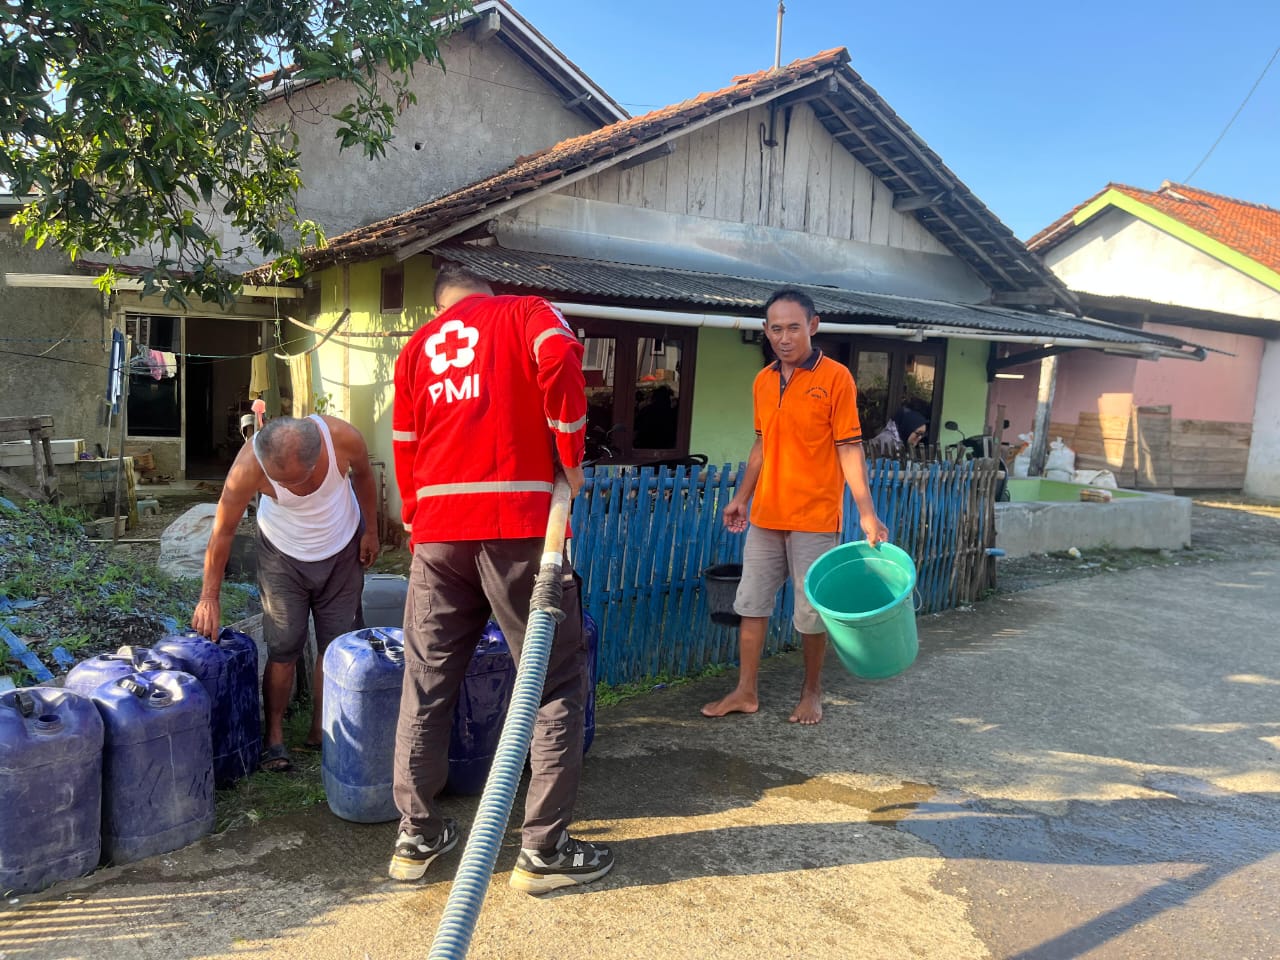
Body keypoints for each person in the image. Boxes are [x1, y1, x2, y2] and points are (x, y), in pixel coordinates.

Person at [388, 262, 613, 894]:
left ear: (441, 304)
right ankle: (543, 850)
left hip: (437, 532)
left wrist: (416, 519)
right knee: (553, 680)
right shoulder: (523, 312)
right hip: (519, 526)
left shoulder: (415, 351)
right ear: (485, 292)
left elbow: (405, 446)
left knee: (427, 682)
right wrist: (569, 454)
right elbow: (561, 355)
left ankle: (417, 835)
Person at [702, 289, 890, 726]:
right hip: (767, 516)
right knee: (750, 604)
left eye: (793, 327)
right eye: (775, 328)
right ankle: (745, 691)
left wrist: (866, 510)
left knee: (809, 612)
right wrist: (741, 498)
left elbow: (849, 447)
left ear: (813, 325)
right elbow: (762, 443)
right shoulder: (763, 380)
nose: (783, 337)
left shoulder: (836, 377)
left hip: (815, 517)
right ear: (766, 330)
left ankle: (812, 691)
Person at [192, 415, 380, 772]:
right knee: (283, 645)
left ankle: (323, 732)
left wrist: (370, 531)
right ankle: (274, 738)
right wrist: (209, 596)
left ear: (318, 457)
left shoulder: (343, 438)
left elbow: (366, 478)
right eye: (281, 484)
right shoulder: (248, 466)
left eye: (300, 480)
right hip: (282, 556)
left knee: (337, 645)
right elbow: (223, 532)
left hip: (342, 549)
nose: (293, 490)